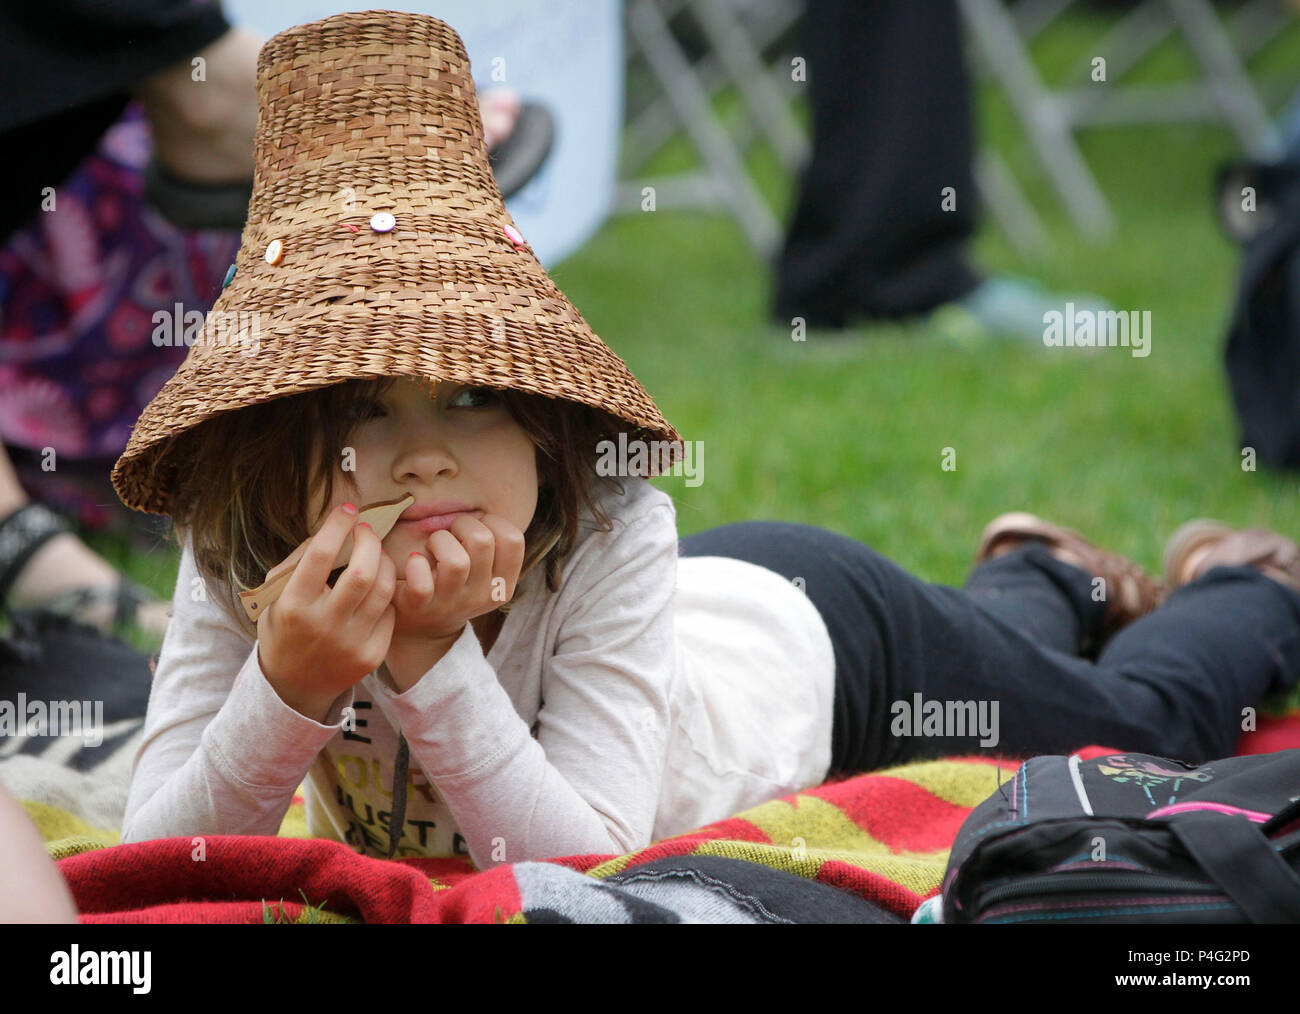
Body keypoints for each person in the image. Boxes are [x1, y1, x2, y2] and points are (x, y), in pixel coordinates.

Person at [117, 11, 1300, 870]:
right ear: (279, 445)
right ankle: (1039, 577)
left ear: (547, 418)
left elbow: (587, 857)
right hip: (710, 640)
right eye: (362, 410)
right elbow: (152, 862)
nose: (424, 455)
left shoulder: (608, 526)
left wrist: (427, 660)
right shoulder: (245, 549)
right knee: (1006, 654)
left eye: (473, 398)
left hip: (832, 654)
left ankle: (1249, 588)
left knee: (1139, 725)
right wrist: (287, 685)